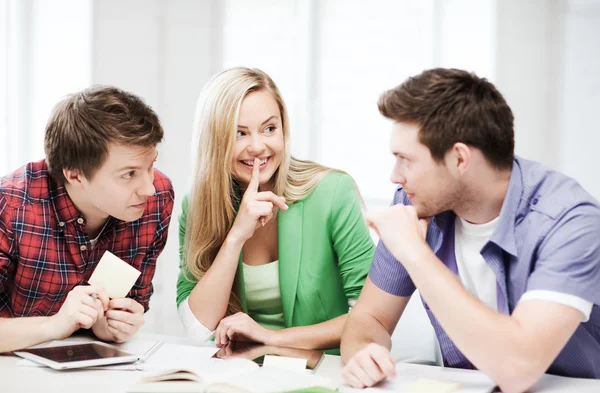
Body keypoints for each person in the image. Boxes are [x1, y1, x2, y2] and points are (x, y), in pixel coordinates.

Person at [341, 68, 600, 392]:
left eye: (406, 159)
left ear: (459, 159)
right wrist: (365, 354)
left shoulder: (570, 222)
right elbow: (369, 320)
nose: (395, 176)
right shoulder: (414, 206)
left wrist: (415, 254)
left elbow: (519, 369)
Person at [176, 67, 374, 352]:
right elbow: (198, 328)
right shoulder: (198, 205)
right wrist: (236, 238)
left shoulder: (332, 192)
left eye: (270, 129)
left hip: (323, 369)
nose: (258, 147)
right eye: (239, 133)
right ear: (215, 140)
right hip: (244, 372)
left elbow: (370, 318)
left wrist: (272, 338)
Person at [0, 86, 175, 352]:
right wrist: (55, 325)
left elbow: (135, 301)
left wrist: (112, 326)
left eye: (150, 166)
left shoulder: (157, 198)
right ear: (75, 175)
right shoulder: (11, 206)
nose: (148, 188)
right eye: (128, 174)